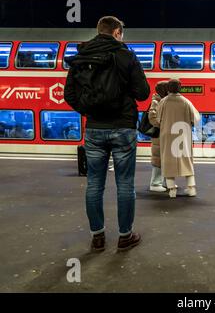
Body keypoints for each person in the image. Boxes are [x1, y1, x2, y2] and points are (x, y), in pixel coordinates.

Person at [64, 16, 150, 252]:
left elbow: (69, 95)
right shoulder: (126, 55)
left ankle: (98, 237)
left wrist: (89, 111)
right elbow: (143, 93)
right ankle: (125, 236)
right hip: (123, 127)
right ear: (117, 32)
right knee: (125, 184)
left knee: (94, 184)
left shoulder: (80, 56)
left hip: (94, 129)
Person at [156, 78, 200, 198]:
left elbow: (157, 119)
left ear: (168, 88)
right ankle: (191, 188)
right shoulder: (186, 101)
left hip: (167, 135)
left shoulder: (163, 102)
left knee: (168, 162)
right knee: (186, 160)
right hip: (183, 135)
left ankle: (172, 190)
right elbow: (196, 119)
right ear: (180, 87)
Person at [148, 80, 169, 192]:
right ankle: (155, 183)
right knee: (158, 159)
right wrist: (165, 124)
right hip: (159, 135)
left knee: (165, 159)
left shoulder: (164, 100)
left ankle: (165, 181)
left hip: (164, 135)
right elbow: (152, 118)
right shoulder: (156, 101)